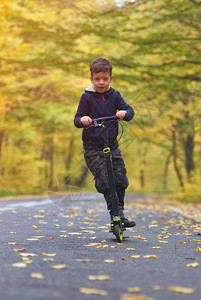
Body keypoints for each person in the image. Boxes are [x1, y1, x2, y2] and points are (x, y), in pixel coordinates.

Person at [73, 58, 136, 228]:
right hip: (93, 147)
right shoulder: (86, 97)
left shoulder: (114, 95)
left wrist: (124, 113)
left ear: (111, 78)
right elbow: (77, 119)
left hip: (112, 145)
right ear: (92, 79)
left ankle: (120, 214)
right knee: (105, 180)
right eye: (97, 79)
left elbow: (130, 111)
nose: (101, 82)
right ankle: (113, 213)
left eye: (105, 79)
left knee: (120, 178)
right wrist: (84, 119)